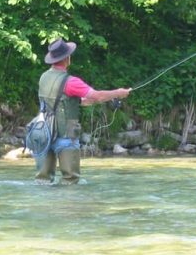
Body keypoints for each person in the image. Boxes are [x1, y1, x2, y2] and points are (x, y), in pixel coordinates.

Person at [35, 38, 131, 184]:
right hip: (66, 136)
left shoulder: (44, 77)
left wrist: (87, 101)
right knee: (71, 181)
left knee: (42, 182)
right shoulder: (71, 81)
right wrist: (118, 93)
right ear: (67, 58)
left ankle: (46, 206)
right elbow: (97, 96)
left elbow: (61, 100)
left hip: (44, 134)